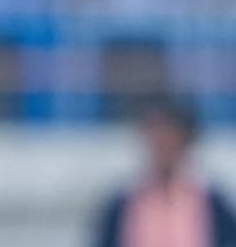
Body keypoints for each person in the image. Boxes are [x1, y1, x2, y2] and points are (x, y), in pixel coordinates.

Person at [95, 96, 236, 247]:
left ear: (186, 140)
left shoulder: (211, 201)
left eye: (170, 135)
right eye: (155, 134)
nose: (162, 143)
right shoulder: (123, 202)